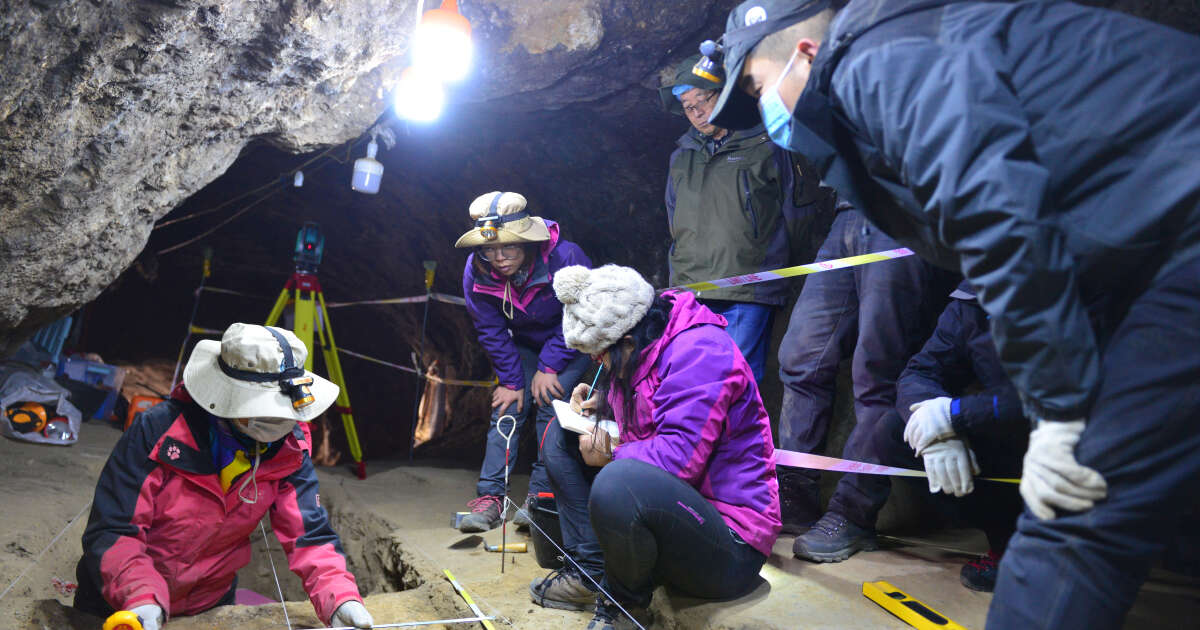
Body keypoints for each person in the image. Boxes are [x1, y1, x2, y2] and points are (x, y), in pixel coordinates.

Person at [708, 1, 1200, 627]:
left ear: (804, 54)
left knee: (1076, 510)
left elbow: (998, 213)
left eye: (755, 84)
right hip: (1154, 243)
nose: (764, 107)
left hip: (1181, 237)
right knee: (1090, 510)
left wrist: (1058, 410)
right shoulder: (912, 46)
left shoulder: (880, 63)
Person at [74, 323, 373, 630]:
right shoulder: (158, 433)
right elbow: (114, 530)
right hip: (123, 609)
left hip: (209, 608)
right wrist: (140, 597)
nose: (280, 423)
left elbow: (310, 534)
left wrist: (341, 599)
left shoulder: (291, 447)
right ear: (227, 395)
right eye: (266, 410)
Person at [542, 264, 781, 630]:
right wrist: (603, 401)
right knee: (560, 440)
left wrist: (610, 454)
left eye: (600, 355)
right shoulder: (643, 344)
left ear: (628, 341)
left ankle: (625, 608)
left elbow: (679, 459)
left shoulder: (700, 352)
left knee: (618, 480)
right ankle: (590, 569)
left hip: (730, 546)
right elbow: (653, 405)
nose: (597, 364)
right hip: (682, 515)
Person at [660, 53, 828, 382]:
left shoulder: (769, 143)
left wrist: (774, 270)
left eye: (703, 99)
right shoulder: (681, 157)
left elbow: (798, 214)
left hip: (747, 289)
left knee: (736, 387)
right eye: (687, 105)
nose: (696, 112)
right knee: (690, 386)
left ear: (726, 93)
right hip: (689, 292)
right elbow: (673, 220)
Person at [854, 282, 1028, 592]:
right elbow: (920, 372)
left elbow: (1062, 394)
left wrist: (955, 415)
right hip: (1013, 435)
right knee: (895, 431)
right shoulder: (971, 301)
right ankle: (1008, 545)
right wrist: (937, 431)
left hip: (1079, 442)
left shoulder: (1076, 288)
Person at [456, 191, 593, 532]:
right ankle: (491, 499)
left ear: (528, 242)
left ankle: (540, 498)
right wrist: (512, 381)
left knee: (551, 403)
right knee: (507, 406)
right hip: (524, 344)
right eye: (488, 248)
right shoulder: (478, 272)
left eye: (509, 247)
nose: (498, 258)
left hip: (572, 340)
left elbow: (583, 313)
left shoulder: (565, 256)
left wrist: (549, 367)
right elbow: (490, 329)